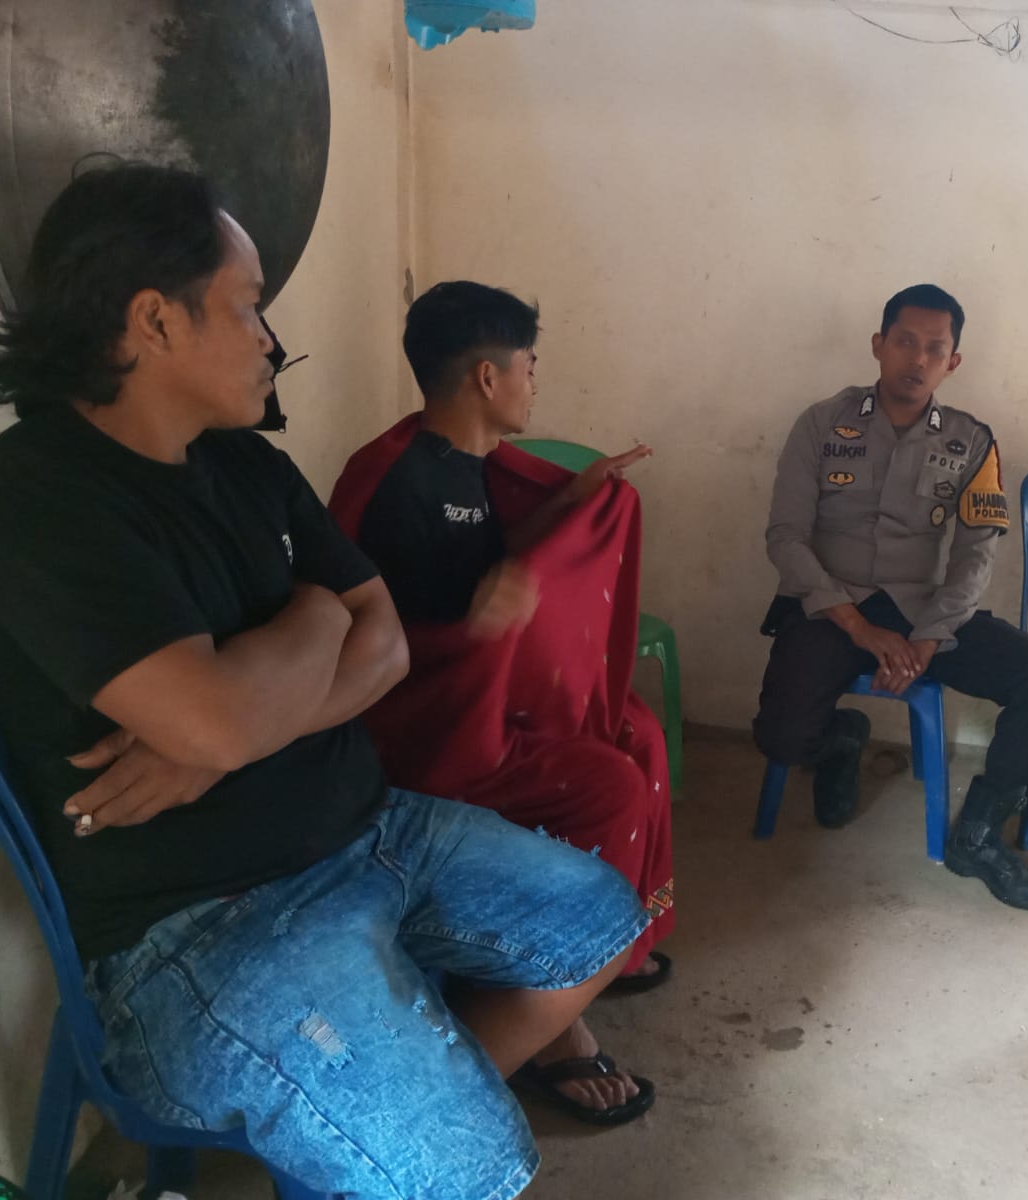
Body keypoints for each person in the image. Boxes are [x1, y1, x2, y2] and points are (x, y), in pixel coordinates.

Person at [0, 164, 645, 1197]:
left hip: (370, 827)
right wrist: (314, 621)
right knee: (479, 1166)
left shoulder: (245, 464)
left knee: (601, 920)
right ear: (154, 321)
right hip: (201, 923)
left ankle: (397, 1120)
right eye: (248, 308)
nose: (270, 341)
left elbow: (384, 645)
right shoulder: (32, 500)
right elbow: (224, 711)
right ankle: (411, 1130)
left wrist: (243, 722)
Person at [329, 281, 671, 1125]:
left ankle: (594, 951)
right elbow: (373, 635)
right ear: (488, 377)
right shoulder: (395, 480)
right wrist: (479, 631)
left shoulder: (461, 466)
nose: (533, 382)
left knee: (637, 730)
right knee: (611, 785)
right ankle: (551, 1015)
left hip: (477, 702)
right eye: (529, 366)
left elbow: (481, 564)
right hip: (426, 737)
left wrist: (573, 501)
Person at [753, 284, 1028, 911]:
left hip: (922, 612)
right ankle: (840, 740)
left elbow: (976, 553)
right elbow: (785, 537)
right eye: (905, 342)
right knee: (782, 739)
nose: (918, 359)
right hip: (829, 609)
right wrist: (857, 625)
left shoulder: (972, 441)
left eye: (935, 348)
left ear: (953, 361)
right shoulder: (820, 423)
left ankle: (979, 835)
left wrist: (929, 638)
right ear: (879, 345)